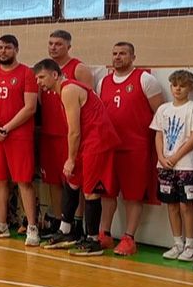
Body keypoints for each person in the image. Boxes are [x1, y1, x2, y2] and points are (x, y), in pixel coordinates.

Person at [34, 58, 120, 256]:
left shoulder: (69, 90)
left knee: (90, 191)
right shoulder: (63, 91)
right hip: (85, 142)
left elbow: (74, 131)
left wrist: (71, 158)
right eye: (37, 78)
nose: (38, 82)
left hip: (97, 143)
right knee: (71, 182)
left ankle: (93, 240)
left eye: (42, 77)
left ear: (54, 75)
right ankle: (66, 231)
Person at [96, 42, 165, 255]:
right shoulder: (103, 82)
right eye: (115, 53)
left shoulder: (145, 79)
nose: (118, 57)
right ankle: (104, 234)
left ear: (133, 57)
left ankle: (129, 238)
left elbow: (161, 114)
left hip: (135, 148)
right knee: (106, 193)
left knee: (133, 196)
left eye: (123, 53)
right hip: (109, 148)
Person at [0, 35, 40, 245]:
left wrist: (6, 128)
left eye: (7, 47)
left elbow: (30, 107)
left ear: (16, 49)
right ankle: (1, 225)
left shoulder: (26, 73)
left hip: (18, 137)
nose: (3, 51)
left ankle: (32, 227)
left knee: (24, 181)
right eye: (0, 48)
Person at [39, 30, 94, 237]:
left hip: (71, 134)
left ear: (69, 46)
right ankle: (59, 221)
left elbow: (88, 102)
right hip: (49, 133)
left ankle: (76, 222)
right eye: (50, 43)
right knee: (53, 180)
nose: (53, 47)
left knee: (73, 180)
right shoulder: (44, 70)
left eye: (58, 44)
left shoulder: (78, 69)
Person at [150, 70, 193, 262]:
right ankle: (177, 243)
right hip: (165, 165)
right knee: (171, 205)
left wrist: (175, 157)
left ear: (190, 88)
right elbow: (158, 134)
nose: (178, 89)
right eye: (175, 85)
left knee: (186, 206)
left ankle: (191, 245)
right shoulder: (163, 109)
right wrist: (161, 157)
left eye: (182, 86)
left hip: (187, 166)